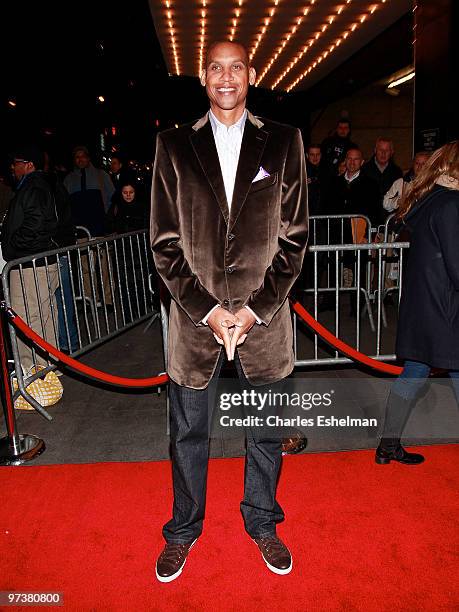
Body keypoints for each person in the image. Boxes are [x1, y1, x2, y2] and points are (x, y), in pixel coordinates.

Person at [151, 40, 308, 582]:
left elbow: (295, 240)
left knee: (264, 431)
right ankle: (183, 531)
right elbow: (165, 244)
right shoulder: (172, 147)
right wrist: (210, 311)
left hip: (265, 324)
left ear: (252, 75)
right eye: (215, 68)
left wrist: (254, 310)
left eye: (236, 67)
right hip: (195, 327)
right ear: (202, 77)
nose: (226, 77)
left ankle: (263, 522)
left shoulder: (284, 141)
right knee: (188, 435)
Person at [376, 141, 459, 465]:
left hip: (426, 306)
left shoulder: (429, 199)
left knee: (414, 372)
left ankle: (387, 445)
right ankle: (387, 445)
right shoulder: (451, 204)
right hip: (445, 309)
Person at [1, 145, 58, 371]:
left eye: (16, 163)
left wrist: (14, 247)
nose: (12, 168)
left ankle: (34, 371)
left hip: (29, 264)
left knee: (26, 319)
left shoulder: (33, 187)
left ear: (29, 165)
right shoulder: (38, 186)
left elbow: (34, 225)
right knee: (44, 318)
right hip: (36, 262)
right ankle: (49, 367)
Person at [64, 146, 114, 307]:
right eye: (77, 157)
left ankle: (108, 300)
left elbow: (112, 199)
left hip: (100, 229)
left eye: (83, 156)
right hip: (80, 232)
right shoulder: (69, 179)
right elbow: (66, 205)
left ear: (88, 157)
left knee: (104, 267)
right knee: (85, 269)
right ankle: (90, 299)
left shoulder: (101, 175)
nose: (80, 160)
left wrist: (105, 218)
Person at [361, 138, 402, 225]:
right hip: (368, 219)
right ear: (375, 150)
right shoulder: (364, 170)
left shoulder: (397, 172)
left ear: (392, 152)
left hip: (389, 220)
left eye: (387, 150)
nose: (383, 153)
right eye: (381, 150)